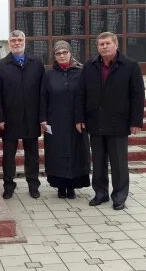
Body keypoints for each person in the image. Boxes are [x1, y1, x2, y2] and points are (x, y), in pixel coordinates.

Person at [75, 32, 145, 211]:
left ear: (116, 45)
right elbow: (81, 94)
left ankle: (119, 196)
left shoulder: (130, 66)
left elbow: (138, 95)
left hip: (118, 123)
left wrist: (136, 121)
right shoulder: (89, 66)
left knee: (118, 162)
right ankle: (100, 193)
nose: (104, 47)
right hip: (95, 121)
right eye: (101, 44)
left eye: (107, 43)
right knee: (98, 161)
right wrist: (79, 118)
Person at [0, 30, 45, 199]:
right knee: (8, 154)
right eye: (13, 40)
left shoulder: (36, 63)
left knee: (32, 154)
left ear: (25, 41)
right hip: (10, 118)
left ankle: (33, 184)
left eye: (19, 40)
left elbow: (43, 92)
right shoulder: (1, 65)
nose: (16, 43)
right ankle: (8, 185)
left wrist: (42, 117)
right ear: (9, 43)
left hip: (31, 117)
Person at [40, 41, 91, 199]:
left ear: (70, 53)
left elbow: (86, 97)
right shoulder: (48, 75)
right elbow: (42, 98)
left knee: (77, 152)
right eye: (58, 53)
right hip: (55, 121)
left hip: (76, 121)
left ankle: (73, 186)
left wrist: (84, 118)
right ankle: (60, 186)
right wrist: (42, 119)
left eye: (64, 52)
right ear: (54, 56)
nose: (62, 55)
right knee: (57, 153)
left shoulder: (81, 72)